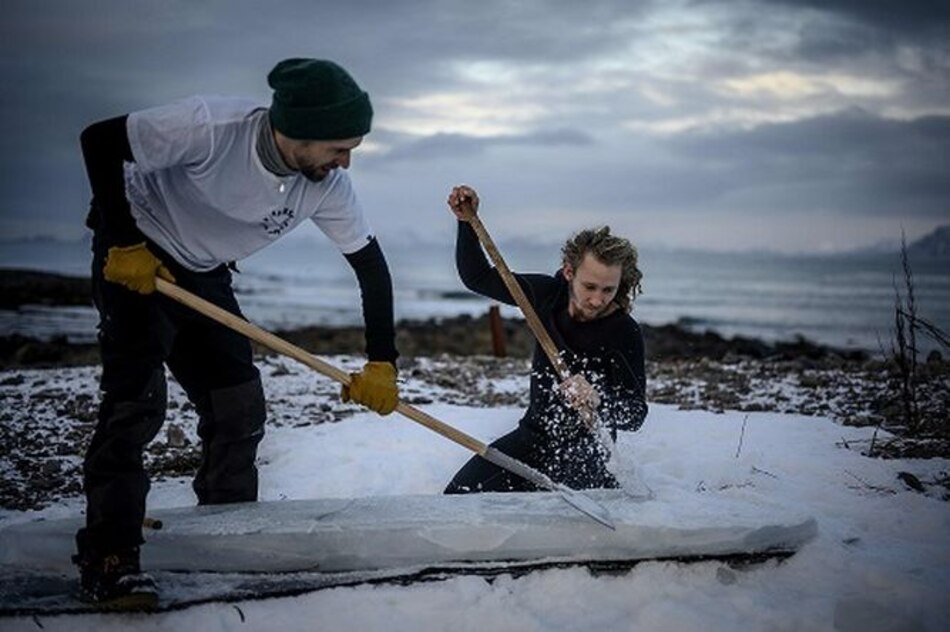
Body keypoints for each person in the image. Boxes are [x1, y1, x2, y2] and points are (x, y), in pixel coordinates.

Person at [75, 58, 400, 609]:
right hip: (138, 252)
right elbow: (100, 140)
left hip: (204, 273)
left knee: (238, 407)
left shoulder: (327, 185)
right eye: (339, 146)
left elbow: (370, 265)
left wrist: (381, 364)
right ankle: (110, 558)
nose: (346, 161)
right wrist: (123, 241)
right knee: (136, 404)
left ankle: (226, 537)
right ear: (297, 130)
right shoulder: (210, 127)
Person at [443, 185, 647, 494]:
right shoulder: (545, 297)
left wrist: (597, 397)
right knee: (458, 496)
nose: (597, 299)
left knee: (561, 521)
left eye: (608, 290)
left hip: (587, 451)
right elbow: (478, 278)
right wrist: (466, 222)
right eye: (589, 286)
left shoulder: (623, 332)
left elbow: (635, 415)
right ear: (568, 272)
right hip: (532, 438)